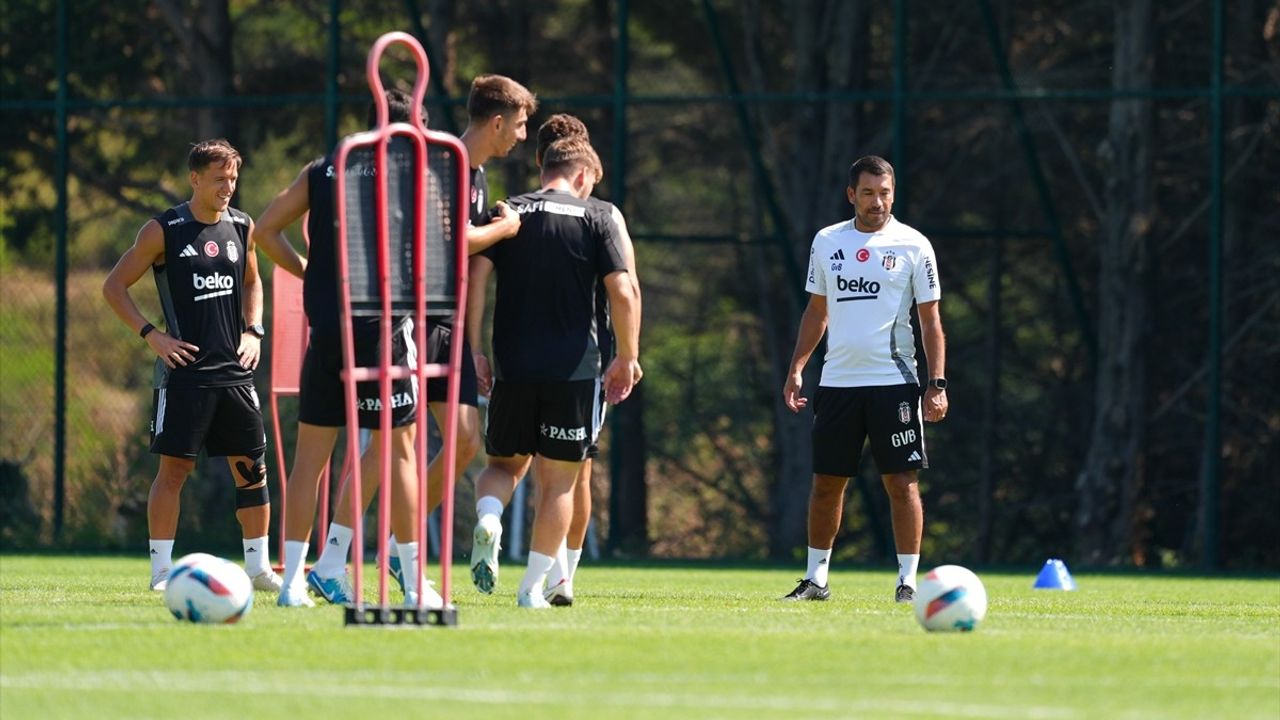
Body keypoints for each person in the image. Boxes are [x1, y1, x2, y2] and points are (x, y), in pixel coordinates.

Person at [252, 90, 451, 609]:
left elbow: (266, 229)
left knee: (310, 461)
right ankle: (413, 583)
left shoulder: (324, 168)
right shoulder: (417, 176)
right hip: (384, 331)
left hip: (329, 332)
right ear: (411, 129)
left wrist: (309, 272)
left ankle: (293, 582)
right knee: (402, 453)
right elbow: (439, 250)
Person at [469, 114, 642, 607]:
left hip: (513, 367)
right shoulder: (599, 216)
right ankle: (533, 589)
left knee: (502, 466)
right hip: (575, 370)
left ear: (545, 167)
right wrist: (628, 356)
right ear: (584, 174)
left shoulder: (508, 212)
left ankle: (487, 517)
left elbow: (475, 280)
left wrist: (475, 348)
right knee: (561, 483)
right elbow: (624, 290)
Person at [103, 139, 282, 594]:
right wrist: (153, 336)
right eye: (220, 178)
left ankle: (259, 568)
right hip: (184, 377)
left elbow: (253, 283)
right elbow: (114, 287)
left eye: (234, 179)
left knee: (252, 469)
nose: (228, 187)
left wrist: (254, 330)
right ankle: (162, 571)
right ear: (195, 178)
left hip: (235, 376)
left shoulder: (243, 227)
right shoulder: (164, 229)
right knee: (174, 472)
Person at [781, 155, 947, 604]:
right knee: (826, 483)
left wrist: (937, 383)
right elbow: (817, 310)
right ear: (851, 194)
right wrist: (798, 366)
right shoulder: (827, 241)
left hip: (893, 381)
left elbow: (930, 321)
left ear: (894, 193)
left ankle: (908, 583)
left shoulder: (914, 245)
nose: (878, 201)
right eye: (869, 192)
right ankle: (816, 579)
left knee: (901, 482)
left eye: (886, 192)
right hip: (837, 383)